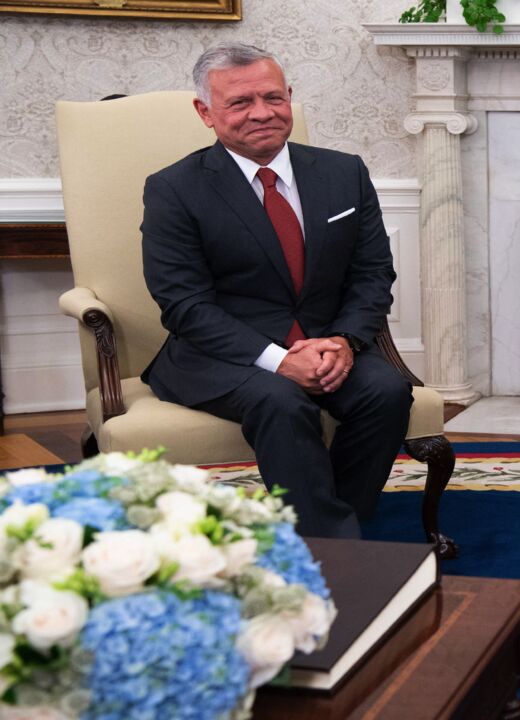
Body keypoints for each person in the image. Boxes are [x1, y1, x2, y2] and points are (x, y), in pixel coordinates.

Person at [141, 43, 413, 538]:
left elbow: (372, 273)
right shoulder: (174, 189)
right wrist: (278, 360)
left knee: (387, 390)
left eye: (272, 97)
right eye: (240, 103)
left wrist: (345, 343)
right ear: (206, 112)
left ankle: (332, 529)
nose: (262, 113)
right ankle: (336, 556)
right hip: (223, 355)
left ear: (289, 97)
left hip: (325, 340)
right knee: (281, 400)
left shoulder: (343, 172)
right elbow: (184, 305)